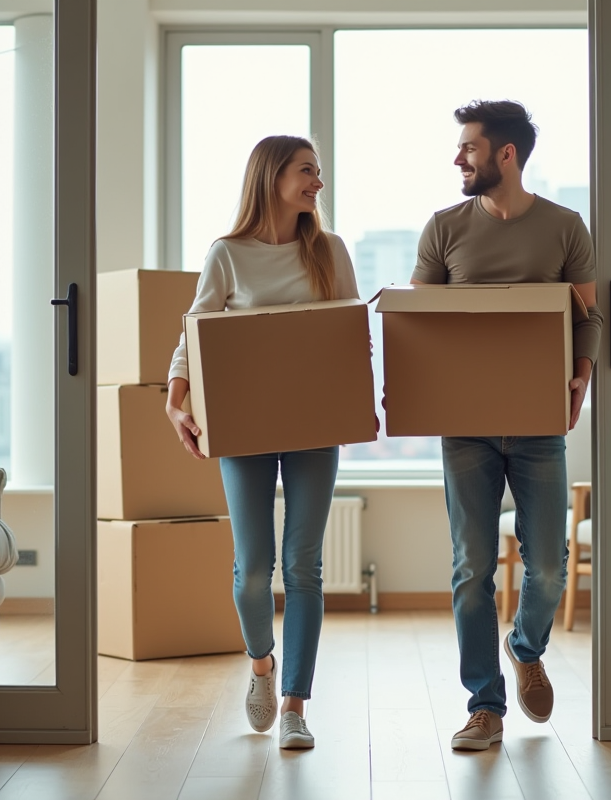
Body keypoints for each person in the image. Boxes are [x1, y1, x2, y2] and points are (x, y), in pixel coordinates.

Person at [411, 100, 603, 751]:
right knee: (472, 569)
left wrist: (582, 372)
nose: (458, 158)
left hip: (538, 423)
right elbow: (417, 321)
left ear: (506, 155)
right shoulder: (443, 228)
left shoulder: (564, 227)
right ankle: (485, 706)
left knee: (546, 564)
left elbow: (588, 314)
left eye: (468, 147)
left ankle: (525, 647)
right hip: (464, 426)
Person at [165, 135, 361, 750]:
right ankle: (262, 667)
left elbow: (352, 329)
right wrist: (176, 394)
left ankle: (297, 705)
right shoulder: (227, 254)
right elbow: (196, 330)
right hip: (245, 426)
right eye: (308, 171)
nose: (317, 184)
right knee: (253, 571)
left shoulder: (329, 251)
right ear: (272, 176)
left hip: (314, 427)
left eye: (319, 173)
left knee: (303, 565)